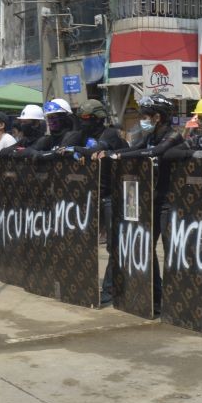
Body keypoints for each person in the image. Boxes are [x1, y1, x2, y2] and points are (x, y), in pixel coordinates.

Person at [108, 94, 183, 311]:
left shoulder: (173, 136)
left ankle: (175, 301)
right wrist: (110, 154)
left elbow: (156, 153)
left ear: (157, 117)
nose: (142, 119)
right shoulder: (148, 137)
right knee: (146, 249)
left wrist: (122, 158)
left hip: (170, 203)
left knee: (172, 252)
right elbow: (132, 150)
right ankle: (157, 297)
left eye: (145, 116)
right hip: (151, 201)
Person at [60, 99, 127, 305]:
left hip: (112, 196)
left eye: (88, 118)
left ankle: (110, 290)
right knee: (77, 240)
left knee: (114, 246)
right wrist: (74, 152)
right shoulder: (81, 135)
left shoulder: (110, 134)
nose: (84, 122)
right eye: (82, 118)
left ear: (99, 119)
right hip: (90, 196)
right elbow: (62, 149)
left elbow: (97, 149)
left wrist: (78, 151)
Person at [165, 95, 202, 160]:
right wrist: (192, 153)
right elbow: (168, 153)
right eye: (199, 118)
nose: (199, 123)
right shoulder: (196, 140)